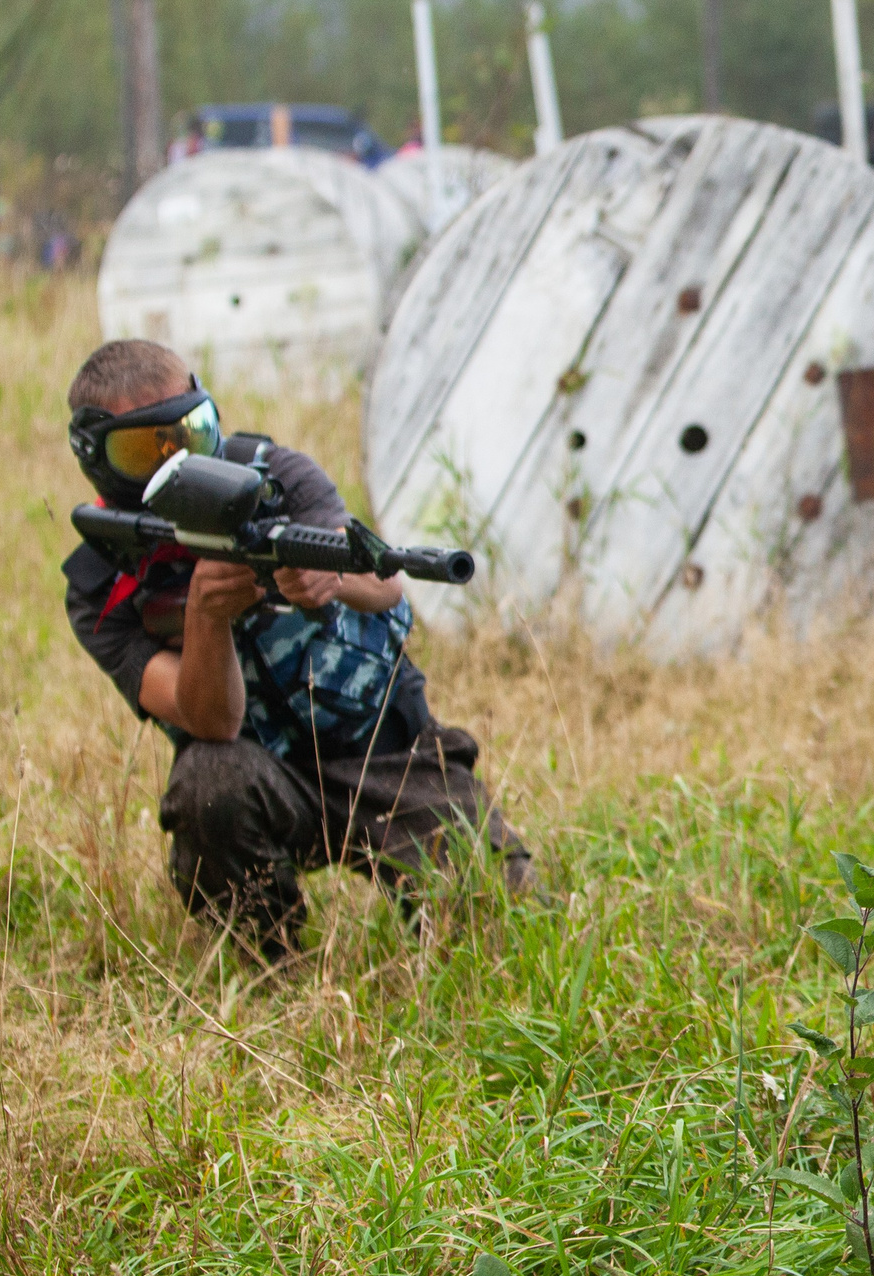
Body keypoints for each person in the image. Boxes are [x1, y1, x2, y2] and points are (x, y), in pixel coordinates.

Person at [60, 339, 531, 963]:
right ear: (98, 458)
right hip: (261, 780)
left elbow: (386, 582)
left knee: (507, 926)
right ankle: (269, 959)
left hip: (388, 754)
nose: (180, 459)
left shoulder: (276, 475)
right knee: (207, 783)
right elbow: (211, 722)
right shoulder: (100, 586)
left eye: (193, 431)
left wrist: (330, 578)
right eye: (148, 449)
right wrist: (206, 616)